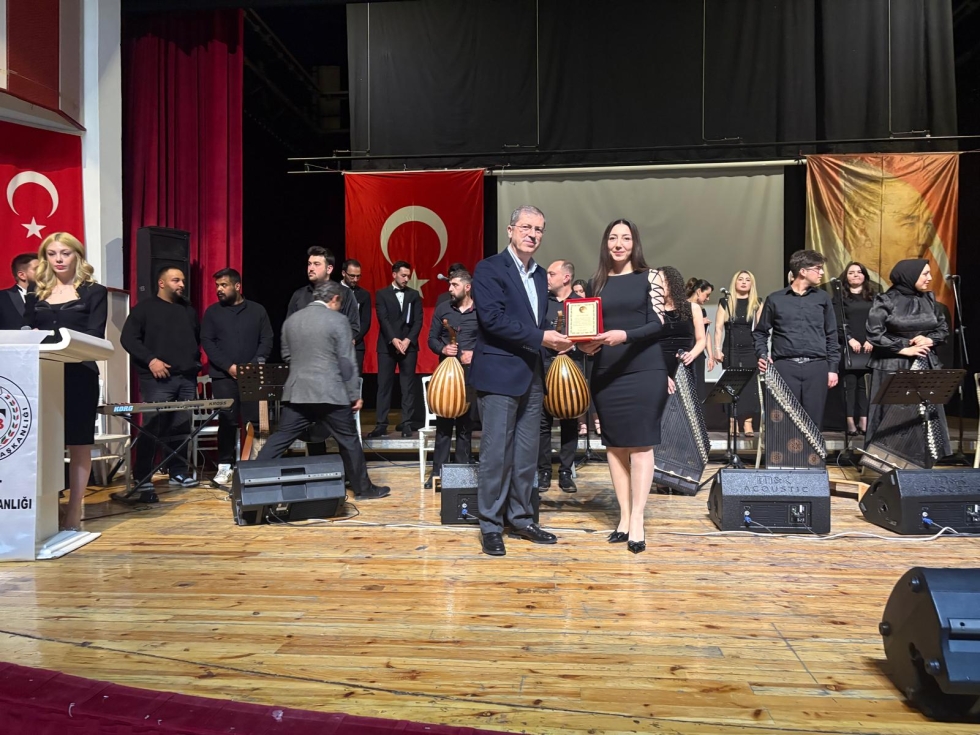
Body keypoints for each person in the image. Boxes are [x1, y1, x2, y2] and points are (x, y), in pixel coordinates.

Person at [470, 205, 572, 556]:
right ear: (510, 230)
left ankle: (522, 518)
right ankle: (490, 525)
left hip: (532, 374)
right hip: (499, 375)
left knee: (527, 454)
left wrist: (569, 337)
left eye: (539, 229)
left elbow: (537, 322)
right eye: (526, 227)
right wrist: (543, 337)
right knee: (496, 455)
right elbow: (492, 320)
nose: (533, 234)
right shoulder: (489, 268)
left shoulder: (542, 275)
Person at [579, 219, 666, 554]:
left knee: (641, 445)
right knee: (614, 446)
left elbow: (658, 323)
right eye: (613, 238)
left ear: (634, 243)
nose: (619, 244)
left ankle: (638, 519)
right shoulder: (595, 283)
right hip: (607, 371)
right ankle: (624, 517)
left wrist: (624, 335)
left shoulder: (651, 276)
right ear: (606, 243)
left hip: (644, 368)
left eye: (626, 238)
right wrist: (587, 345)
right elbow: (590, 329)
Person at [256, 281, 389, 499]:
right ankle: (364, 490)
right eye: (340, 302)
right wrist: (354, 394)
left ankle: (250, 479)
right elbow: (346, 361)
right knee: (349, 440)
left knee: (280, 439)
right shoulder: (338, 320)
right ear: (334, 299)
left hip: (298, 392)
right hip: (330, 393)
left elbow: (287, 356)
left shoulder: (292, 321)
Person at [22, 233, 107, 530]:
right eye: (52, 253)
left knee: (78, 442)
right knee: (43, 441)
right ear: (45, 257)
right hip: (42, 372)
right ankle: (47, 507)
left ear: (77, 256)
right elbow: (26, 327)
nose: (58, 259)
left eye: (65, 253)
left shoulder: (95, 291)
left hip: (79, 372)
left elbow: (96, 334)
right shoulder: (36, 290)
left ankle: (73, 511)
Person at [120, 266, 201, 490]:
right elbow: (128, 338)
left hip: (186, 378)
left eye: (182, 280)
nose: (182, 284)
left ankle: (178, 472)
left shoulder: (188, 310)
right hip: (158, 379)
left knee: (181, 427)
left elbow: (194, 339)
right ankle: (143, 476)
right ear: (162, 283)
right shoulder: (144, 309)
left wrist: (192, 364)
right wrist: (151, 360)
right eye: (176, 280)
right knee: (153, 426)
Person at [865, 259, 950, 455]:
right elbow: (874, 334)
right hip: (892, 364)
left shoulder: (928, 299)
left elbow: (942, 329)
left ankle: (922, 459)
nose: (930, 278)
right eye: (925, 274)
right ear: (910, 276)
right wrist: (904, 349)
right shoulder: (886, 300)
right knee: (893, 416)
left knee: (923, 415)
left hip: (924, 362)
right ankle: (887, 460)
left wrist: (929, 339)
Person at [753, 250, 840, 431]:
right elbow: (761, 332)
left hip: (816, 366)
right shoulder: (776, 299)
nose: (821, 273)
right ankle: (784, 451)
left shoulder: (823, 298)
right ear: (803, 271)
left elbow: (832, 335)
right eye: (818, 268)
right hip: (785, 366)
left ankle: (812, 451)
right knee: (783, 422)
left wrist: (833, 368)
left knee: (813, 422)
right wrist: (762, 354)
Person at [201, 268, 273, 485]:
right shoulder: (212, 313)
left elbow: (267, 339)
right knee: (227, 420)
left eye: (224, 285)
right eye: (217, 286)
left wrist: (252, 365)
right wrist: (228, 367)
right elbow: (208, 342)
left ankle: (256, 465)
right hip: (223, 377)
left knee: (254, 421)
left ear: (237, 286)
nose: (219, 289)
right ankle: (225, 466)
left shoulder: (257, 310)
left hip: (252, 375)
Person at [426, 269, 477, 489]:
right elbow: (431, 338)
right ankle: (437, 473)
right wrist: (443, 348)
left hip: (469, 374)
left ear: (467, 287)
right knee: (444, 425)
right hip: (447, 375)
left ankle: (462, 473)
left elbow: (488, 339)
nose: (450, 289)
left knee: (465, 426)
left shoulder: (480, 310)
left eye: (454, 285)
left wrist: (475, 353)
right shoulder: (443, 308)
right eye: (450, 284)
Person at [538, 259, 581, 494]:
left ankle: (565, 472)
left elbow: (589, 335)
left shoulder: (580, 303)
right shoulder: (542, 302)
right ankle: (544, 471)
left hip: (571, 366)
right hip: (544, 364)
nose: (547, 278)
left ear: (566, 277)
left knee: (569, 418)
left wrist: (572, 345)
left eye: (551, 274)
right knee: (542, 421)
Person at [369, 260, 423, 438]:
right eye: (403, 275)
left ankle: (406, 423)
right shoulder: (382, 294)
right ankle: (381, 424)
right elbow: (383, 319)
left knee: (407, 386)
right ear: (394, 275)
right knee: (384, 385)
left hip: (408, 346)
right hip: (387, 346)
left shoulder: (414, 295)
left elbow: (418, 321)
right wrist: (394, 339)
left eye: (408, 276)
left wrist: (407, 340)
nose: (406, 279)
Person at [714, 271, 763, 436]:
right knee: (731, 385)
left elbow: (760, 330)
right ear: (735, 282)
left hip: (750, 348)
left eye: (747, 280)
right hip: (731, 348)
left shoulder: (757, 302)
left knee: (750, 385)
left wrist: (762, 352)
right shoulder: (726, 302)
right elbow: (718, 328)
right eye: (740, 279)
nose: (743, 282)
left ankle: (747, 422)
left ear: (752, 283)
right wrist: (717, 349)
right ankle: (732, 422)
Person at [833, 262, 875, 436]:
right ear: (846, 276)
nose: (856, 275)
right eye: (851, 272)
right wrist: (849, 339)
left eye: (859, 272)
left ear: (864, 275)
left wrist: (872, 339)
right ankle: (850, 421)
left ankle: (863, 420)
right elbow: (836, 322)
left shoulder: (874, 297)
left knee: (864, 385)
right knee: (850, 384)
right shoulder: (840, 297)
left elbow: (878, 320)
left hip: (869, 344)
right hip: (849, 345)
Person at [287, 246, 360, 339]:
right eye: (309, 264)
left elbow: (354, 327)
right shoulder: (299, 295)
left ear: (329, 269)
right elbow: (289, 327)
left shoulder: (344, 293)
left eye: (316, 264)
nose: (311, 268)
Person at [341, 259, 372, 376]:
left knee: (355, 379)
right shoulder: (332, 291)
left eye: (358, 276)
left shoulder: (364, 295)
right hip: (334, 344)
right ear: (343, 273)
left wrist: (354, 339)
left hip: (356, 345)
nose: (355, 279)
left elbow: (365, 322)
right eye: (352, 276)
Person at [685, 277, 714, 401]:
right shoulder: (683, 307)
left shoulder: (702, 310)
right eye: (707, 295)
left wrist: (711, 356)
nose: (708, 299)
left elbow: (706, 334)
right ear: (698, 291)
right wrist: (698, 322)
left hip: (699, 354)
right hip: (687, 352)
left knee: (699, 388)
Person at [1, 253, 38, 330]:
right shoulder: (2, 298)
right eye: (37, 269)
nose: (43, 273)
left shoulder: (53, 296)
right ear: (22, 275)